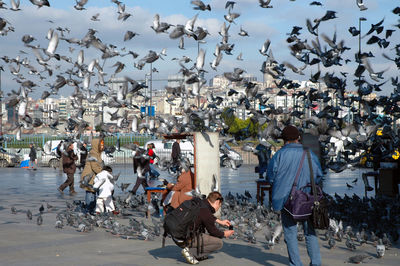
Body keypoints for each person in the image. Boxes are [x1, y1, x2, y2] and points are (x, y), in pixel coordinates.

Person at [267, 125, 323, 266]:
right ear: (298, 138)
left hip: (286, 200)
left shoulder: (279, 155)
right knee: (310, 232)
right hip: (307, 199)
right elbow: (319, 176)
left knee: (290, 233)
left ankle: (296, 264)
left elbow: (270, 177)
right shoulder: (309, 153)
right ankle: (315, 263)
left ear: (284, 140)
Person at [178, 191, 235, 264]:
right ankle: (191, 253)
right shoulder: (206, 212)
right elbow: (214, 232)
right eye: (219, 206)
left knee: (201, 231)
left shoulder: (200, 202)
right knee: (218, 243)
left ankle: (198, 254)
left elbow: (206, 216)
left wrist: (220, 221)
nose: (218, 208)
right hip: (185, 239)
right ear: (217, 202)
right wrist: (224, 234)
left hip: (178, 234)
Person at [80, 138, 104, 215]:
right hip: (89, 176)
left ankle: (90, 209)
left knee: (92, 193)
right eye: (100, 145)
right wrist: (103, 173)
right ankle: (88, 210)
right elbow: (95, 167)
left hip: (93, 176)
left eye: (102, 145)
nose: (102, 146)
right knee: (90, 193)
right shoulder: (93, 153)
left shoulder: (96, 153)